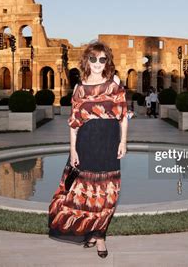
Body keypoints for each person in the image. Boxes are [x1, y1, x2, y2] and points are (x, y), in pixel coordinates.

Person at [48, 40, 133, 259]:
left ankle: (101, 235)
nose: (97, 63)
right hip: (85, 142)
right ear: (87, 60)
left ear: (107, 61)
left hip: (108, 142)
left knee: (108, 194)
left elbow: (123, 116)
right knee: (83, 192)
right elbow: (74, 123)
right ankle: (90, 231)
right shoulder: (79, 88)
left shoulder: (114, 83)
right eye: (93, 59)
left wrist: (123, 142)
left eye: (102, 59)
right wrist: (73, 150)